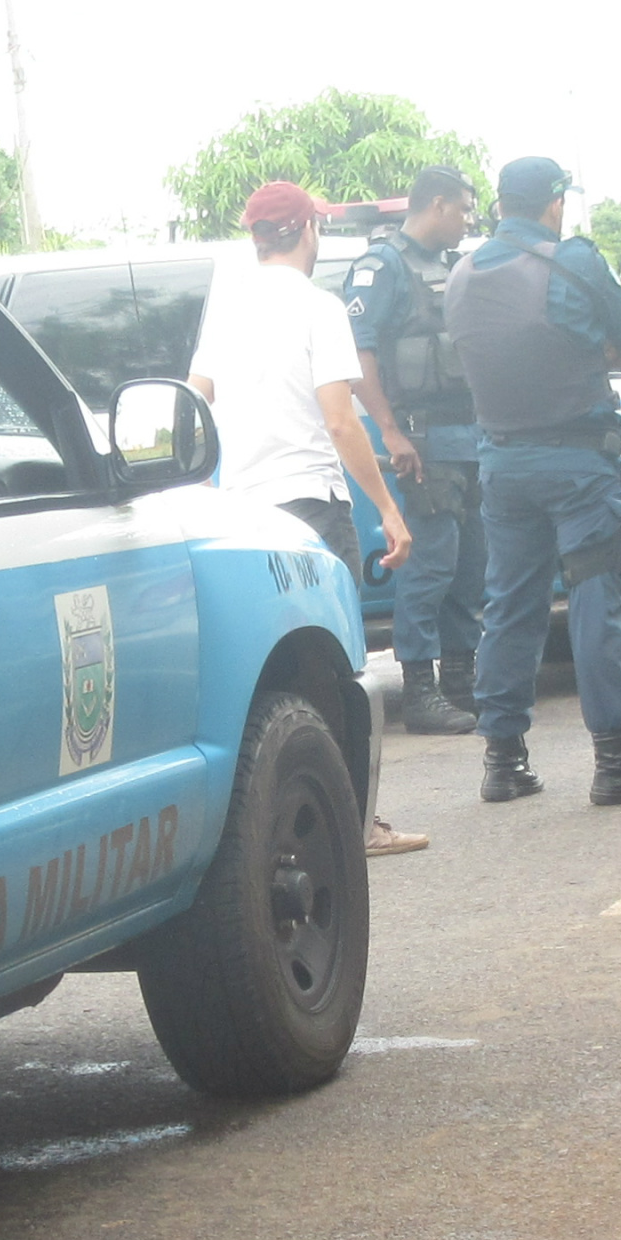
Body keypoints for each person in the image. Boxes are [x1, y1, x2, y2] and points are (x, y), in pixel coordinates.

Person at [190, 179, 428, 855]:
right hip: (314, 511)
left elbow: (195, 401)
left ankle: (284, 830)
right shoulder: (319, 307)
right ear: (306, 232)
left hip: (245, 515)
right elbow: (339, 420)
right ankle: (355, 826)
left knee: (276, 674)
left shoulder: (227, 310)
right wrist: (389, 510)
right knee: (338, 671)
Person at [451, 156, 621, 808]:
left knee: (508, 606)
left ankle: (503, 762)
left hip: (502, 465)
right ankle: (618, 760)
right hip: (578, 462)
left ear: (500, 204)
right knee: (593, 600)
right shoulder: (572, 260)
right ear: (554, 203)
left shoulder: (463, 275)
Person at [339, 165, 486, 735]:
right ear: (438, 204)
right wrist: (391, 432)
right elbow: (359, 358)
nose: (468, 220)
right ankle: (421, 692)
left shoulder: (452, 266)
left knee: (470, 566)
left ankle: (461, 680)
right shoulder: (382, 267)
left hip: (469, 439)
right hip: (424, 442)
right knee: (431, 568)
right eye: (464, 209)